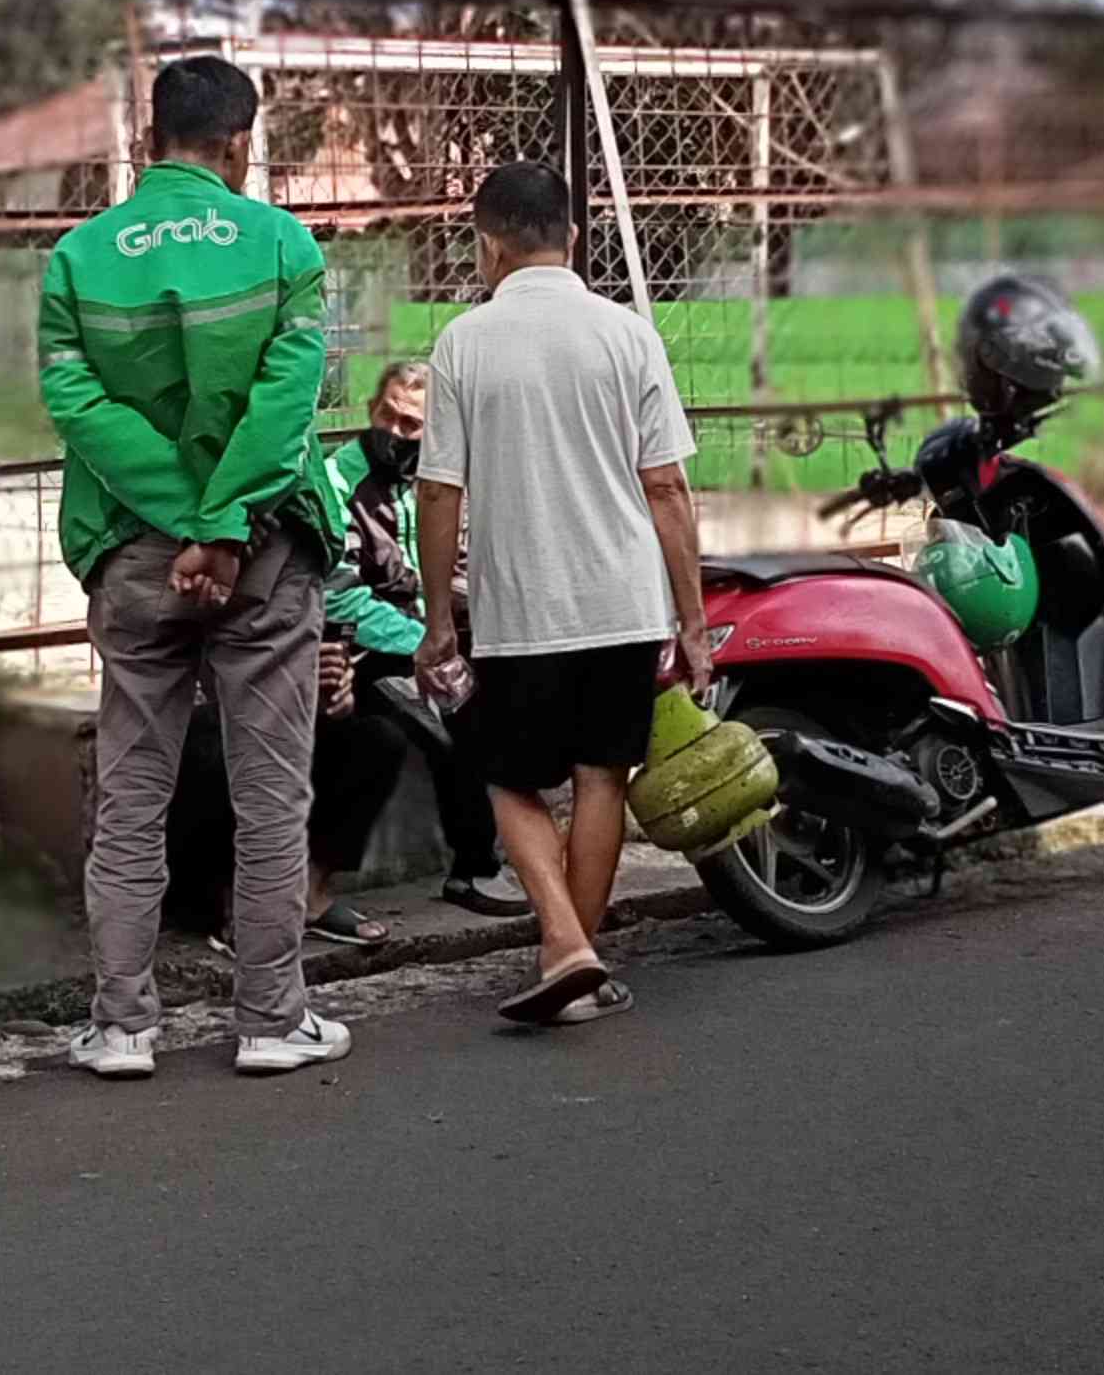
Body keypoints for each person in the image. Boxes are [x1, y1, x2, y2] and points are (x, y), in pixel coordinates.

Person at [38, 53, 353, 1080]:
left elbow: (79, 408)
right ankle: (270, 1018)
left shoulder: (79, 259)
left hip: (132, 552)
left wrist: (175, 520)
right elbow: (287, 400)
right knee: (274, 793)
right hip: (259, 549)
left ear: (148, 139)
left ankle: (124, 1024)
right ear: (240, 144)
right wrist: (221, 526)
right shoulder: (281, 244)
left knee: (132, 790)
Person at [414, 161, 713, 1027]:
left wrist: (438, 618)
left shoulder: (464, 342)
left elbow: (439, 492)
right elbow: (667, 488)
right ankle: (578, 958)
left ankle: (565, 944)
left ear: (487, 243)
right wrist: (692, 620)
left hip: (521, 609)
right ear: (572, 234)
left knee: (508, 780)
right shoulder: (628, 334)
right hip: (622, 602)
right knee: (600, 778)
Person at [328, 362, 526, 916]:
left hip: (431, 639)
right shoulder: (340, 481)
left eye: (411, 423)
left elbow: (460, 567)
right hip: (363, 652)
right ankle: (474, 870)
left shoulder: (437, 482)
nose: (394, 430)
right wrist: (422, 642)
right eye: (385, 414)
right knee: (455, 719)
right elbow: (336, 595)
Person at [166, 634, 411, 952]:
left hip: (280, 705)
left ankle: (311, 897)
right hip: (204, 713)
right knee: (215, 740)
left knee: (378, 740)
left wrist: (332, 688)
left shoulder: (301, 590)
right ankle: (235, 904)